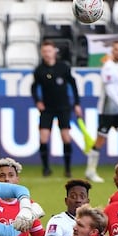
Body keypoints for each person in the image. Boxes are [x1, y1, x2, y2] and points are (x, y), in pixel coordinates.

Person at [86, 40, 118, 184]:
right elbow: (109, 91)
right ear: (112, 51)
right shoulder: (107, 67)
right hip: (107, 110)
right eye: (117, 50)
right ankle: (90, 171)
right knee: (100, 141)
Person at [32, 40, 83, 178]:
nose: (46, 54)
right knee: (43, 138)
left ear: (54, 51)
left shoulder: (63, 67)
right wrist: (37, 101)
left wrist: (76, 103)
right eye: (44, 52)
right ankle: (46, 168)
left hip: (63, 107)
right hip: (47, 108)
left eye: (49, 51)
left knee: (65, 137)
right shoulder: (39, 70)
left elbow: (73, 85)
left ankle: (67, 169)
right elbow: (33, 87)